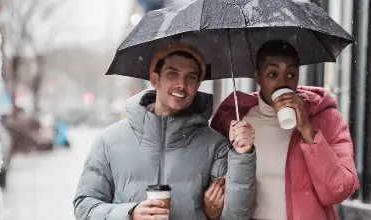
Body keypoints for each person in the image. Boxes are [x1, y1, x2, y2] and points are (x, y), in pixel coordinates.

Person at [73, 43, 256, 220]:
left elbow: (237, 215)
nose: (181, 85)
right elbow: (84, 207)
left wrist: (242, 154)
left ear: (198, 84)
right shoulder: (109, 140)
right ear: (155, 79)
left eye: (190, 77)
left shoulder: (215, 145)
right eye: (172, 74)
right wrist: (130, 213)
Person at [209, 40, 358, 220]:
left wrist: (307, 129)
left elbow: (338, 191)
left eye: (291, 75)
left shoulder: (326, 118)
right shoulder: (233, 119)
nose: (283, 83)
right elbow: (216, 186)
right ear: (257, 77)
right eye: (272, 74)